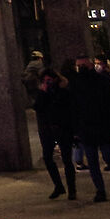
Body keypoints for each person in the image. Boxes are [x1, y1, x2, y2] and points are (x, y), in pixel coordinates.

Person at [67, 58, 110, 200]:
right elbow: (73, 109)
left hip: (103, 125)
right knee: (93, 160)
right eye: (79, 66)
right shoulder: (75, 84)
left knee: (108, 157)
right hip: (86, 127)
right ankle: (100, 190)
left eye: (83, 65)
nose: (81, 68)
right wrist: (75, 131)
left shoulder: (102, 81)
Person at [35, 69, 76, 200]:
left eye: (50, 80)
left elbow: (68, 109)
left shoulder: (63, 92)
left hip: (62, 129)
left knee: (67, 160)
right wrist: (43, 92)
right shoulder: (42, 93)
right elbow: (37, 107)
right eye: (45, 81)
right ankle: (58, 185)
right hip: (47, 130)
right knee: (47, 158)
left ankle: (72, 189)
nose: (48, 83)